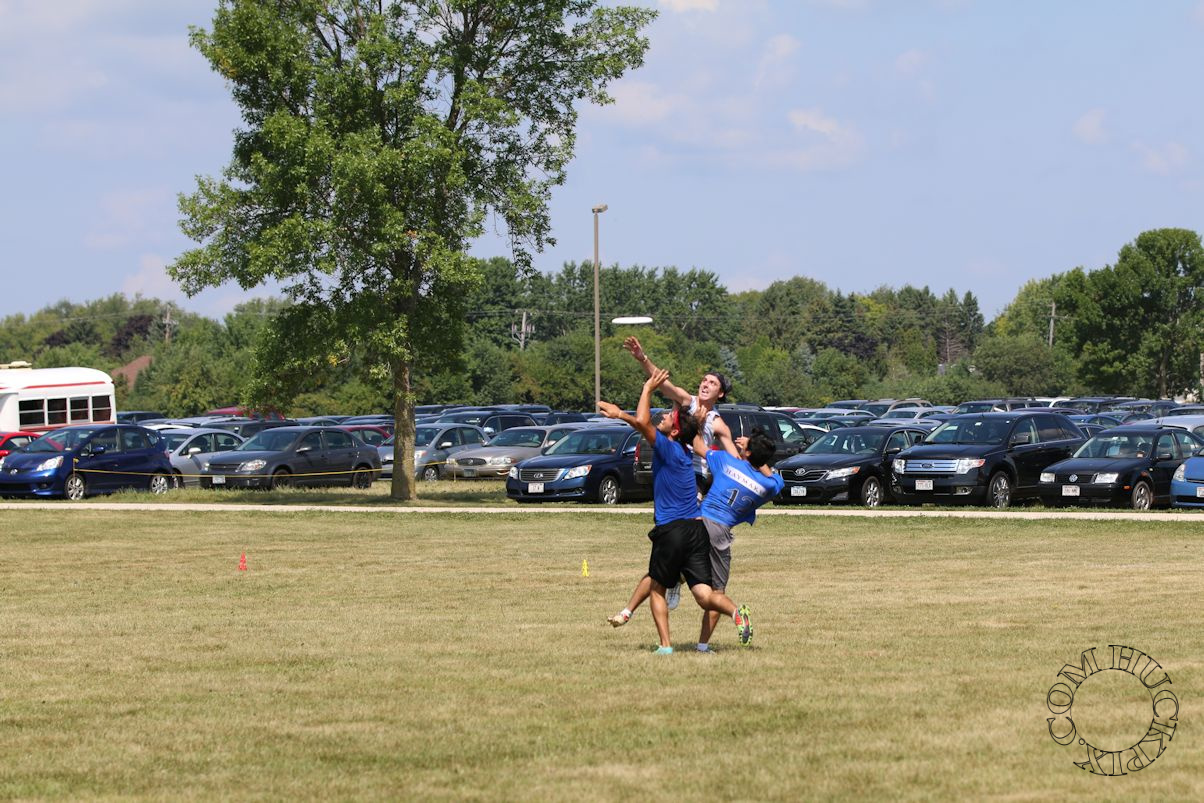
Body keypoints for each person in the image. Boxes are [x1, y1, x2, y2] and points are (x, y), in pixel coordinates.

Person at [597, 368, 752, 654]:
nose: (665, 416)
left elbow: (643, 422)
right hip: (696, 530)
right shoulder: (686, 451)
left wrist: (644, 391)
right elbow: (673, 429)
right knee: (704, 595)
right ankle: (735, 612)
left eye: (670, 417)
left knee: (657, 588)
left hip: (672, 530)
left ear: (676, 431)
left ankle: (666, 646)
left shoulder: (668, 449)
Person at [608, 429, 781, 653]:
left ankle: (632, 608)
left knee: (659, 575)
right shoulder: (768, 486)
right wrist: (756, 453)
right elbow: (775, 480)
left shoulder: (726, 462)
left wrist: (697, 422)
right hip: (721, 533)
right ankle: (703, 645)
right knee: (716, 593)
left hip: (698, 523)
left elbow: (699, 446)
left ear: (747, 452)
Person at [623, 336, 733, 492]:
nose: (705, 385)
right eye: (704, 380)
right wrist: (643, 359)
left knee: (689, 505)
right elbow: (662, 381)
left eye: (712, 383)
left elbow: (734, 458)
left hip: (695, 473)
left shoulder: (717, 423)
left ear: (720, 393)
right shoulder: (686, 400)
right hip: (671, 463)